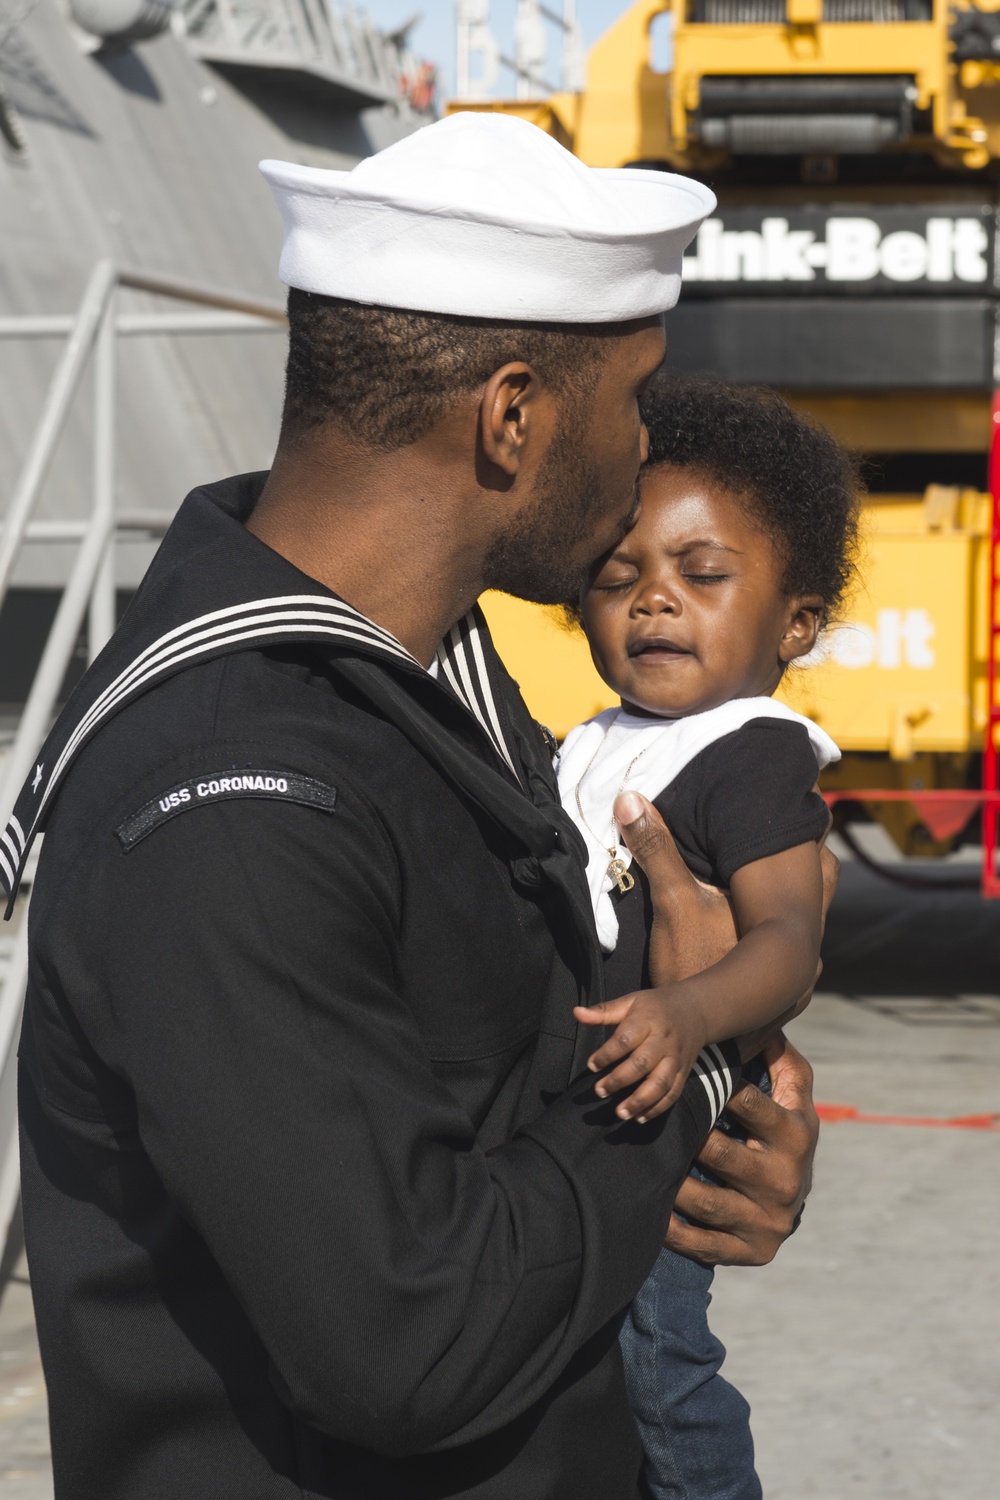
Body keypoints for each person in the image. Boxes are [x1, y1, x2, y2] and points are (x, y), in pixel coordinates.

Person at [2, 116, 825, 1500]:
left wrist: (723, 1117)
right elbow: (408, 1334)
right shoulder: (232, 799)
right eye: (631, 405)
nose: (639, 456)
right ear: (511, 417)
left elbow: (505, 1088)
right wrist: (675, 1099)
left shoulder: (424, 679)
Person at [557, 376, 860, 1500]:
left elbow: (789, 942)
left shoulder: (753, 754)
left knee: (660, 1364)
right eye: (618, 576)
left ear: (794, 622)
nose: (652, 602)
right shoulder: (591, 741)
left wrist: (688, 1011)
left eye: (702, 574)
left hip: (670, 1130)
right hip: (593, 1118)